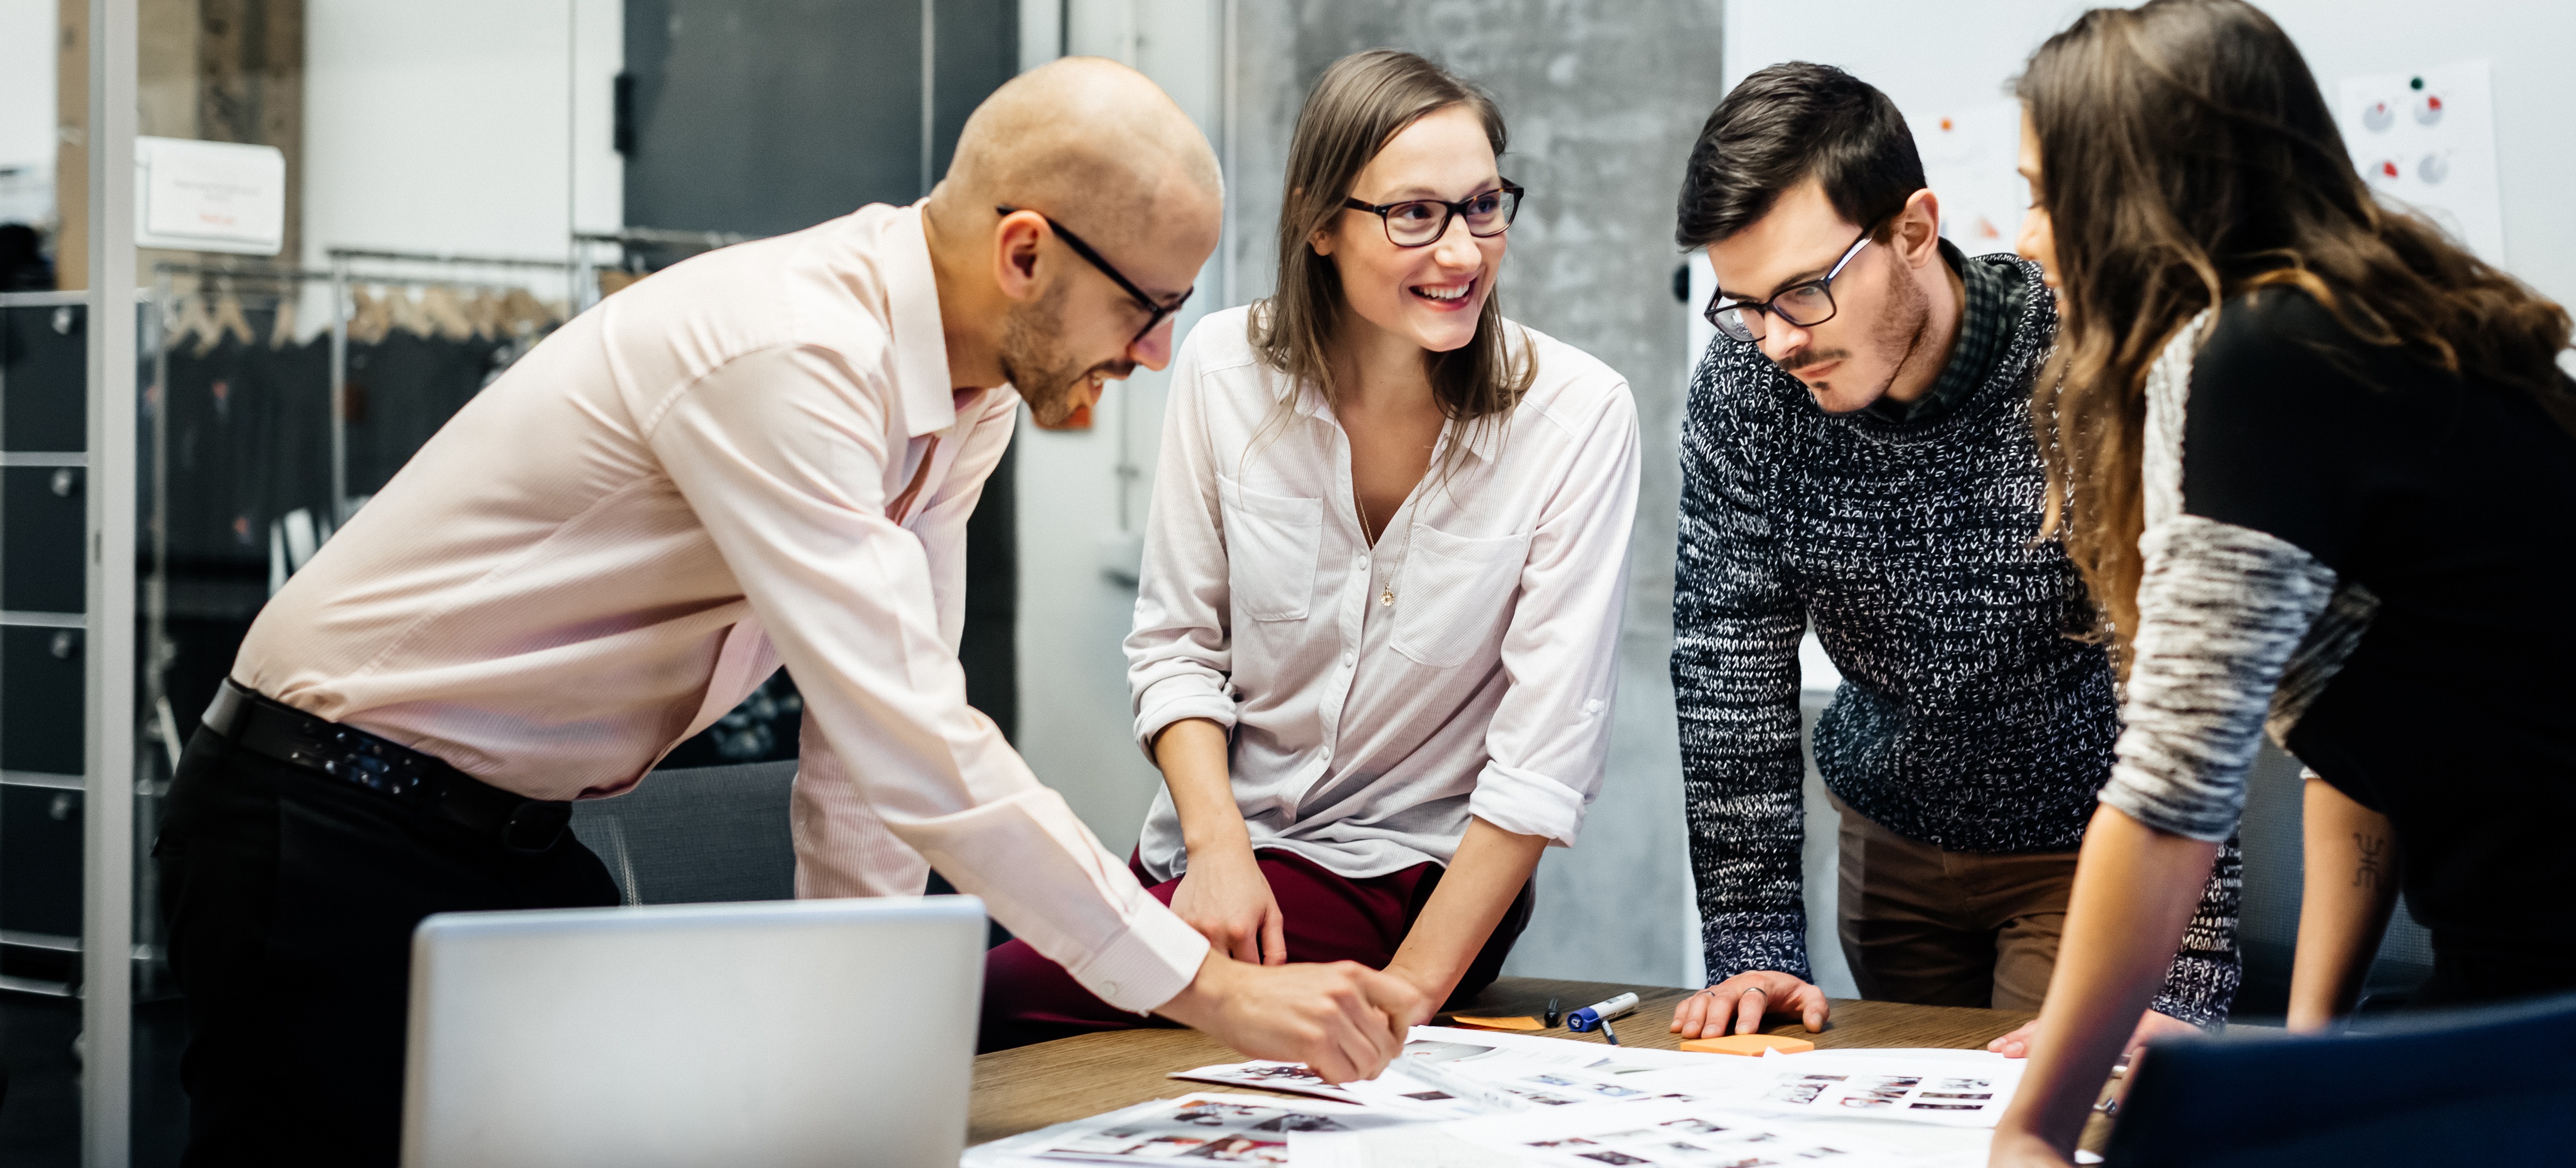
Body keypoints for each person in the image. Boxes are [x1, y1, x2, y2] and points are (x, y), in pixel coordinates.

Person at [150, 59, 1420, 1166]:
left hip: (506, 837)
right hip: (322, 814)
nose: (1155, 356)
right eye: (1149, 307)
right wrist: (1209, 988)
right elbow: (919, 742)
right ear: (1025, 252)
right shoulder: (793, 354)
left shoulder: (965, 403)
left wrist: (854, 1053)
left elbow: (868, 764)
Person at [1989, 3, 2576, 1163]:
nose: (2028, 240)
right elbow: (2382, 727)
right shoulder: (2383, 329)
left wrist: (2034, 1132)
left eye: (2048, 198)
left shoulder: (2257, 356)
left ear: (2137, 198)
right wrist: (2317, 1051)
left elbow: (2168, 801)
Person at [978, 50, 1641, 1050]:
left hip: (1407, 880)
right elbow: (1176, 647)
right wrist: (1216, 854)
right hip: (1210, 859)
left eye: (1483, 206)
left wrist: (1408, 997)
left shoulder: (1578, 415)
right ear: (1320, 222)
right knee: (996, 986)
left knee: (977, 1001)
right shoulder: (1222, 369)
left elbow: (1543, 756)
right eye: (1414, 214)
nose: (1461, 251)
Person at [1661, 63, 2240, 1047]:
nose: (1776, 342)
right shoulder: (1748, 387)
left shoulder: (2085, 357)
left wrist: (2184, 981)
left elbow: (2181, 668)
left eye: (1803, 292)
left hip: (2086, 846)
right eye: (1745, 305)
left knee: (2044, 1106)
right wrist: (1753, 940)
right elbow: (1729, 655)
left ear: (1914, 232)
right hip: (1889, 842)